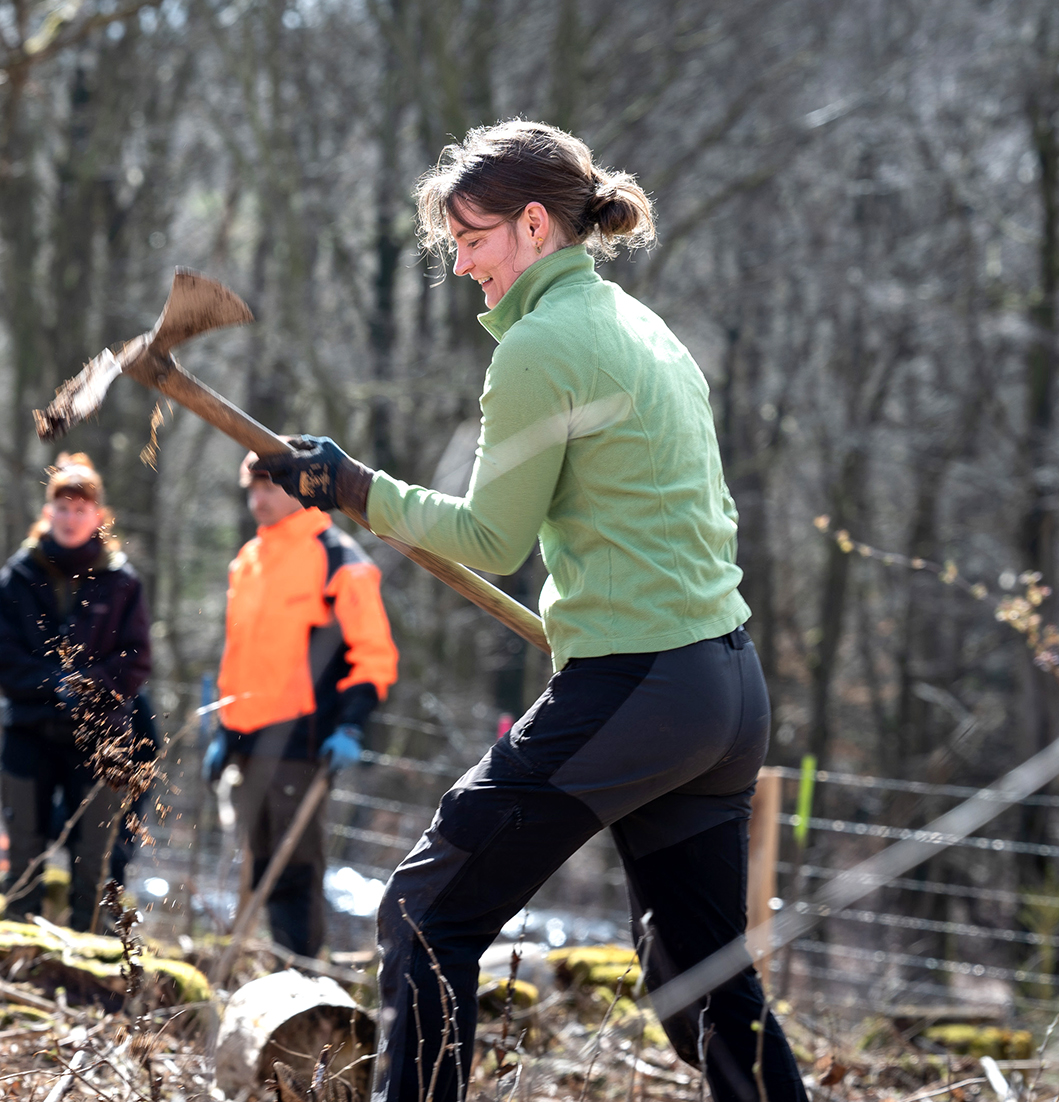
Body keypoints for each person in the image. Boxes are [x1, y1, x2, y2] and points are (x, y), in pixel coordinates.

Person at [257, 121, 806, 1102]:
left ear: (535, 225)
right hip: (723, 688)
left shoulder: (541, 345)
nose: (460, 264)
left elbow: (486, 538)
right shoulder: (643, 329)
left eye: (472, 238)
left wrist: (353, 487)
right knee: (702, 983)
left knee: (424, 909)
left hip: (637, 681)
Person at [204, 451, 398, 960]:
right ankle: (266, 972)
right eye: (253, 488)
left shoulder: (339, 559)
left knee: (295, 870)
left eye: (270, 487)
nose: (258, 499)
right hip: (245, 740)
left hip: (303, 740)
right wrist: (225, 733)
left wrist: (351, 727)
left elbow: (373, 655)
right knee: (256, 861)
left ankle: (304, 979)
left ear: (299, 488)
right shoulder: (247, 561)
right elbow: (239, 655)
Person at [0, 455, 152, 932]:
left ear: (98, 516)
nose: (71, 518)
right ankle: (18, 946)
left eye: (82, 509)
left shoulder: (122, 582)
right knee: (23, 848)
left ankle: (90, 964)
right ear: (48, 512)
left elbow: (136, 661)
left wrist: (87, 689)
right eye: (63, 507)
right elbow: (1, 654)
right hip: (28, 732)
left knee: (95, 857)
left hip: (100, 737)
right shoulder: (17, 576)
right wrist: (53, 689)